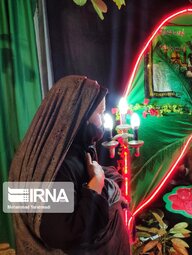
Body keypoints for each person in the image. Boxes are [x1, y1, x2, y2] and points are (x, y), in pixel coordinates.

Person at [9, 75, 130, 255]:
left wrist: (105, 180)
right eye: (99, 113)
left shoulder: (52, 150)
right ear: (79, 115)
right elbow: (64, 234)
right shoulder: (57, 166)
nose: (103, 121)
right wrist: (97, 185)